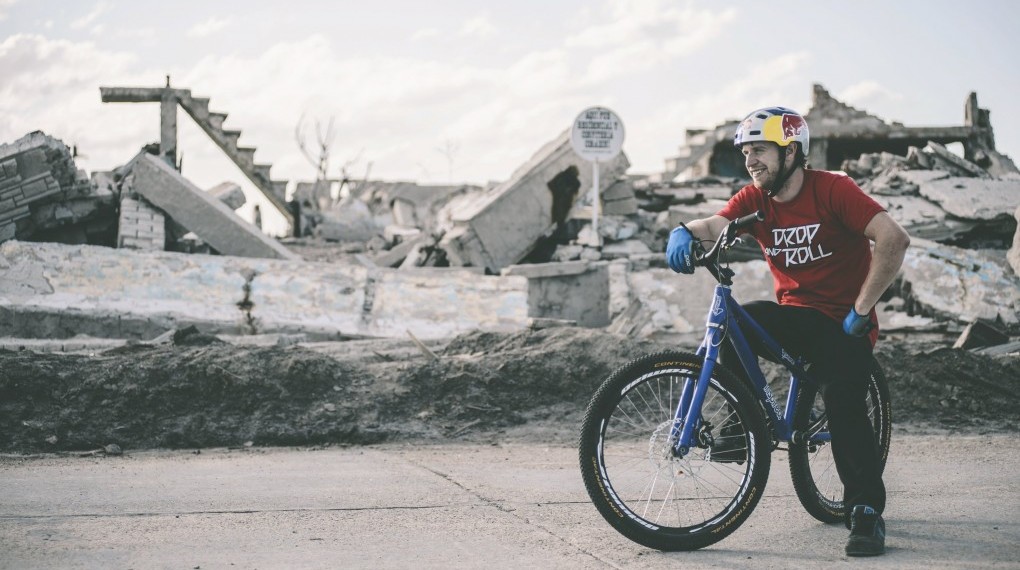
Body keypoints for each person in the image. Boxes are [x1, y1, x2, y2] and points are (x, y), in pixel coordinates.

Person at [665, 106, 911, 557]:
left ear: (791, 150)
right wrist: (685, 231)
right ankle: (743, 426)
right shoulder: (754, 200)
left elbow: (893, 238)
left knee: (842, 400)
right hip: (796, 316)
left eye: (759, 150)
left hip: (844, 323)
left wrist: (863, 308)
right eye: (745, 152)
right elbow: (715, 225)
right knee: (736, 319)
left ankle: (865, 512)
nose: (750, 160)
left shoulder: (833, 189)